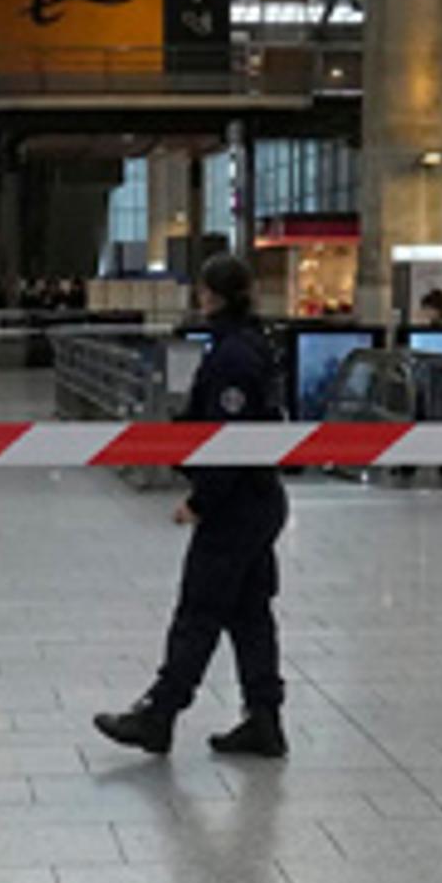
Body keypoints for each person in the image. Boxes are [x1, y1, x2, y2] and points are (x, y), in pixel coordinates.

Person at [95, 252, 288, 759]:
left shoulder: (232, 357)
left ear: (212, 295)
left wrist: (202, 500)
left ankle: (159, 714)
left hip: (238, 504)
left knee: (200, 610)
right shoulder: (248, 344)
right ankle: (263, 718)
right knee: (249, 613)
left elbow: (232, 440)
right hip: (259, 498)